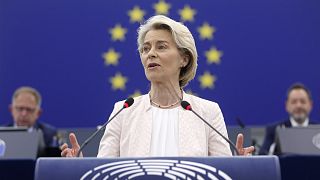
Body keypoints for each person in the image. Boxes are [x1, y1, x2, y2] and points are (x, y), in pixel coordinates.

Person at [61, 15, 254, 157]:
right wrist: (79, 165)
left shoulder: (207, 112)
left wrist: (240, 167)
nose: (150, 54)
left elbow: (222, 173)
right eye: (146, 48)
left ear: (184, 59)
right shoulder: (123, 110)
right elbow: (105, 171)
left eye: (161, 46)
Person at [259, 83, 318, 155]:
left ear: (310, 105)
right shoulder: (274, 130)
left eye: (303, 101)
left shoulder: (318, 130)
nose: (298, 105)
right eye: (294, 102)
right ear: (287, 105)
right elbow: (263, 155)